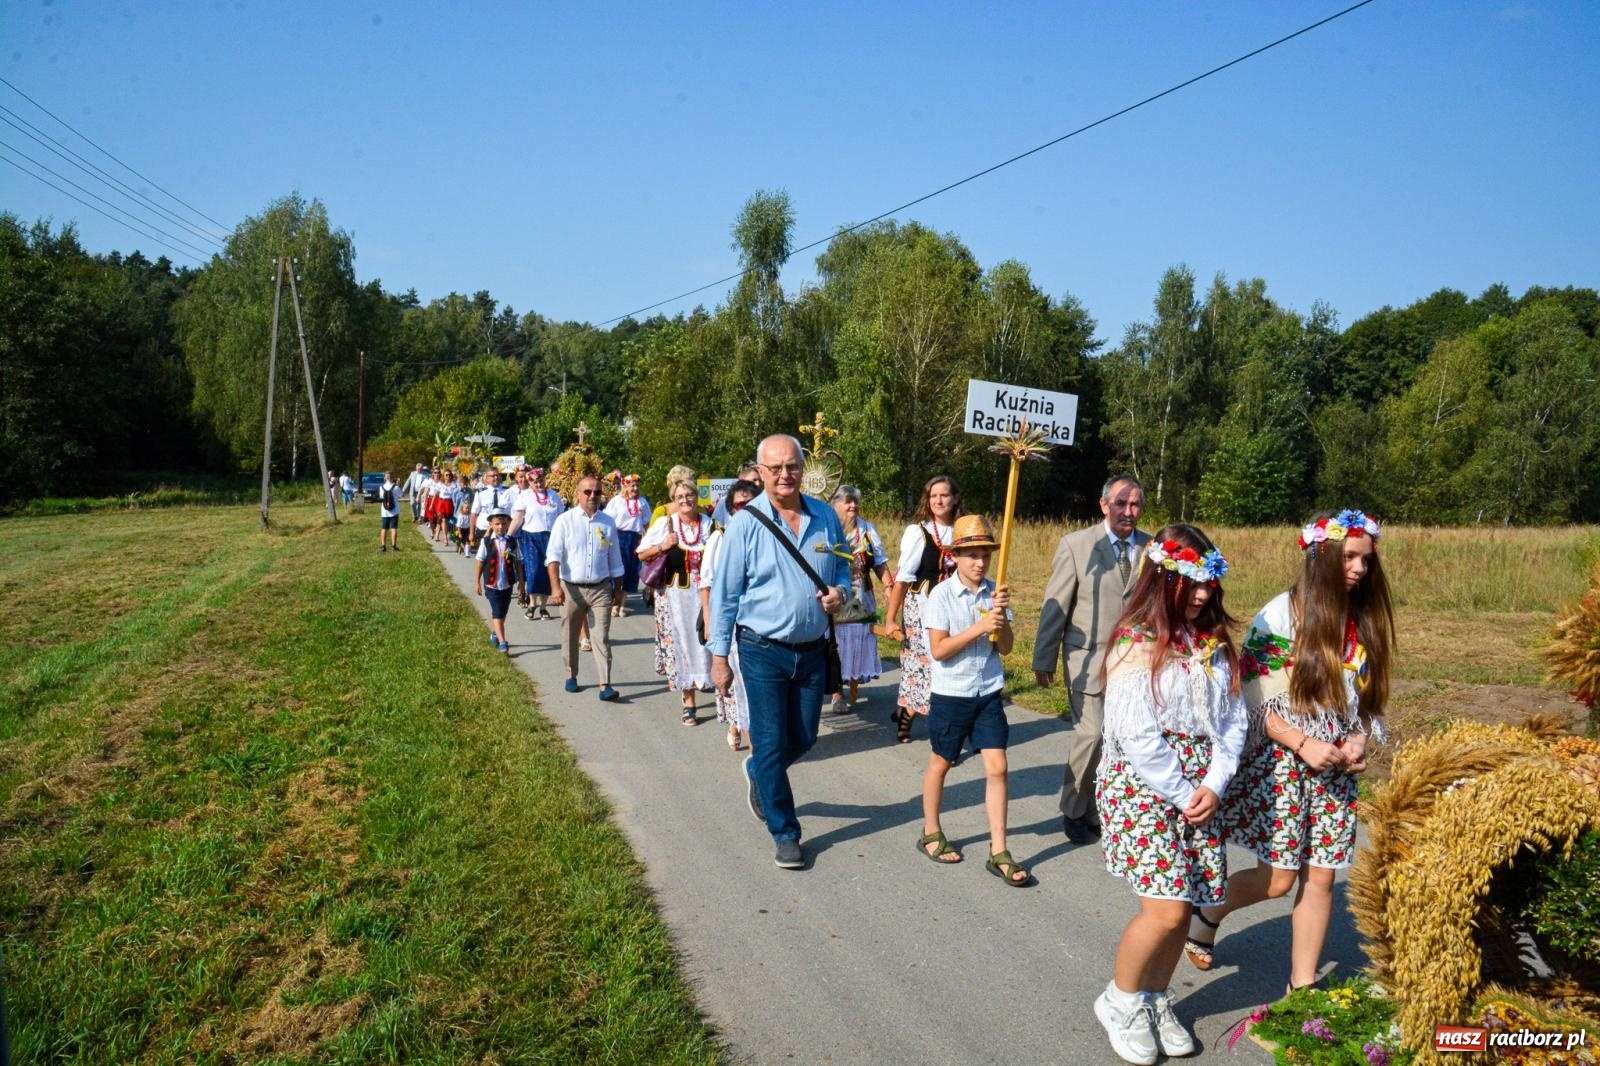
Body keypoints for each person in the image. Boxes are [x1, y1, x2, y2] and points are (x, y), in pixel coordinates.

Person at [1189, 509, 1393, 994]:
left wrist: (1360, 737)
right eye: (1349, 557)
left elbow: (1367, 700)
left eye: (1366, 560)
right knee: (1278, 881)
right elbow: (1255, 697)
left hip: (1335, 769)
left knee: (1320, 880)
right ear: (1320, 555)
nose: (1360, 570)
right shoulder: (1281, 613)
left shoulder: (1361, 620)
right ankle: (1208, 912)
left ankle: (1302, 990)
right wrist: (1304, 743)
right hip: (1286, 763)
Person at [1091, 525, 1246, 1065]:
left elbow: (1232, 722)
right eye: (1191, 582)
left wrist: (1214, 782)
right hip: (1146, 788)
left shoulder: (1211, 644)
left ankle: (1155, 998)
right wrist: (1183, 791)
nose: (1203, 594)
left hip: (1199, 790)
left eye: (1209, 583)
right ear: (1163, 579)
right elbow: (1136, 736)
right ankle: (1120, 1000)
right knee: (1165, 910)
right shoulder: (1136, 641)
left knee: (1185, 911)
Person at [708, 434, 848, 870]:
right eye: (775, 468)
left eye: (792, 467)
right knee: (769, 741)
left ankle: (759, 772)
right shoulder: (745, 523)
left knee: (804, 736)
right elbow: (726, 594)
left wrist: (840, 591)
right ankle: (785, 832)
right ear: (760, 472)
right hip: (761, 648)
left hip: (811, 649)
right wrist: (718, 657)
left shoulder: (826, 516)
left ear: (803, 469)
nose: (785, 475)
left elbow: (842, 565)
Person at [1032, 474, 1150, 845]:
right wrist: (1044, 657)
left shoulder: (1153, 548)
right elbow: (1056, 606)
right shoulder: (1077, 546)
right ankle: (1072, 809)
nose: (1128, 512)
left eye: (1134, 505)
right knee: (1091, 734)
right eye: (1121, 503)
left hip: (1134, 665)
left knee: (1119, 740)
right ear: (1103, 505)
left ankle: (1100, 808)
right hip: (1087, 660)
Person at [915, 514, 1032, 888]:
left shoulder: (995, 592)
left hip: (988, 692)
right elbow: (939, 650)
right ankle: (930, 831)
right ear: (954, 557)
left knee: (997, 766)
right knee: (942, 761)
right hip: (952, 694)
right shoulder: (941, 595)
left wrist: (1002, 620)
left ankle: (999, 849)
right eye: (971, 556)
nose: (979, 563)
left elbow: (1008, 648)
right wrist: (979, 627)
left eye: (984, 555)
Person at [883, 475, 965, 743]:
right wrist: (890, 619)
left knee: (951, 668)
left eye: (944, 495)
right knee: (928, 668)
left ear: (954, 499)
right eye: (933, 496)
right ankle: (915, 717)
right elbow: (904, 578)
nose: (939, 501)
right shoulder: (918, 532)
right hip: (923, 609)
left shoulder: (964, 530)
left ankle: (909, 710)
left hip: (957, 606)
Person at [639, 477, 716, 724]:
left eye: (689, 495)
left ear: (697, 496)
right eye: (679, 497)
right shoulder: (666, 524)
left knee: (709, 643)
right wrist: (663, 546)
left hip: (706, 595)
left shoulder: (711, 525)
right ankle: (689, 702)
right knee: (681, 646)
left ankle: (717, 688)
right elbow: (641, 554)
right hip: (674, 598)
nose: (685, 500)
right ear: (674, 500)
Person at [546, 475, 625, 701]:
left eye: (597, 492)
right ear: (578, 494)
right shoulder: (565, 520)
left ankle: (605, 684)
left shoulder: (607, 522)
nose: (593, 496)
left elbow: (615, 559)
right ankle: (571, 675)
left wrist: (618, 590)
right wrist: (555, 587)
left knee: (601, 636)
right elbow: (553, 556)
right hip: (571, 588)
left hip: (600, 588)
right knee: (570, 634)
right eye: (588, 492)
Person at [701, 478, 761, 750]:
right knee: (737, 680)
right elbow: (708, 584)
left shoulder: (769, 535)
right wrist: (710, 624)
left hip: (760, 624)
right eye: (740, 505)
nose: (746, 509)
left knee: (752, 683)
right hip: (731, 624)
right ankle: (741, 728)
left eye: (752, 504)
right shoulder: (720, 537)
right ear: (731, 509)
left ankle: (750, 730)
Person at [829, 485, 888, 714]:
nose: (853, 505)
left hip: (860, 594)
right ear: (836, 505)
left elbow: (880, 563)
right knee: (835, 644)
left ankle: (851, 684)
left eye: (855, 502)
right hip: (836, 592)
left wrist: (889, 586)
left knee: (857, 640)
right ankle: (836, 693)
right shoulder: (828, 528)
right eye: (848, 501)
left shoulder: (867, 530)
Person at [511, 466, 564, 620]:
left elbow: (561, 518)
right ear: (530, 483)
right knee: (533, 571)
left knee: (549, 571)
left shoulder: (554, 495)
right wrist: (508, 536)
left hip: (551, 538)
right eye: (534, 481)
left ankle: (543, 607)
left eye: (540, 480)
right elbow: (518, 518)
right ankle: (532, 603)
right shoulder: (525, 496)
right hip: (531, 538)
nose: (538, 484)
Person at [474, 507, 523, 655]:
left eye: (503, 523)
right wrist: (477, 582)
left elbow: (519, 562)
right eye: (497, 524)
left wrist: (522, 582)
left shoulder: (513, 542)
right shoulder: (487, 542)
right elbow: (480, 562)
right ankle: (503, 642)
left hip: (507, 583)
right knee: (497, 612)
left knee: (503, 612)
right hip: (491, 584)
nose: (500, 527)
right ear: (491, 525)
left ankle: (495, 633)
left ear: (508, 524)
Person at [603, 473, 651, 617]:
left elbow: (646, 521)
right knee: (618, 572)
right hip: (619, 537)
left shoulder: (642, 502)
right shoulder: (617, 501)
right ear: (625, 486)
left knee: (631, 572)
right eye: (632, 486)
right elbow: (608, 520)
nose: (635, 489)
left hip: (634, 539)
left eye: (637, 486)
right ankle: (614, 603)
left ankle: (622, 605)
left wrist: (645, 537)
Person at [712, 460, 763, 525]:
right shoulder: (723, 502)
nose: (758, 484)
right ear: (741, 479)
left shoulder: (766, 500)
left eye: (760, 480)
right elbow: (716, 527)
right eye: (754, 480)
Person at [377, 470, 401, 551]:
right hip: (394, 510)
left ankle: (383, 546)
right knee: (393, 528)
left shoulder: (381, 487)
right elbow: (400, 495)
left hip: (385, 511)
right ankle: (393, 546)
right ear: (392, 478)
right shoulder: (396, 487)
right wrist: (397, 485)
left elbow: (381, 497)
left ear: (385, 478)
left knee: (384, 528)